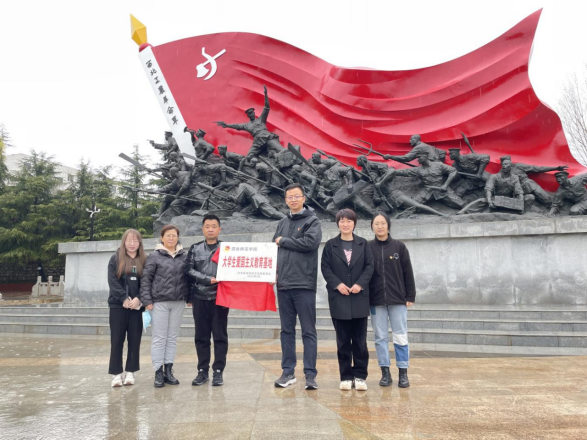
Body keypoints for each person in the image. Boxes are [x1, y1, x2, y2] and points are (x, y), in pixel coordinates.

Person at [273, 183, 323, 390]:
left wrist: (284, 241)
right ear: (285, 200)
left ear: (304, 198)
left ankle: (310, 374)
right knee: (286, 331)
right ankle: (288, 372)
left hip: (304, 284)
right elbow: (273, 248)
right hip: (283, 285)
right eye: (289, 197)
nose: (293, 200)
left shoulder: (312, 221)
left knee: (308, 331)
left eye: (296, 196)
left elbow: (310, 243)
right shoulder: (282, 223)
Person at [321, 209, 374, 391]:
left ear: (354, 223)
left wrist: (360, 284)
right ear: (338, 224)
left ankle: (360, 376)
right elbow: (325, 268)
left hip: (359, 298)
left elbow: (369, 266)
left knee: (360, 341)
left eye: (349, 221)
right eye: (342, 221)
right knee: (343, 341)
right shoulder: (331, 245)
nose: (345, 224)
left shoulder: (363, 244)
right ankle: (345, 376)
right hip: (339, 299)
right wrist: (337, 284)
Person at [369, 212, 416, 388]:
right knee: (380, 337)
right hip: (376, 300)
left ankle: (403, 372)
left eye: (383, 223)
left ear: (388, 225)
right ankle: (385, 372)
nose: (380, 226)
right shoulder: (368, 248)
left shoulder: (399, 247)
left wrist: (410, 295)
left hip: (398, 300)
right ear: (372, 227)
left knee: (400, 335)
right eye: (376, 224)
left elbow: (407, 272)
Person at [140, 225, 189, 388]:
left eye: (174, 235)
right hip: (159, 302)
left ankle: (168, 370)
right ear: (162, 238)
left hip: (178, 301)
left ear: (178, 237)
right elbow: (146, 279)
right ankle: (158, 372)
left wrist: (189, 297)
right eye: (168, 235)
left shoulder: (184, 256)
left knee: (172, 337)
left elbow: (188, 278)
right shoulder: (154, 256)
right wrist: (147, 300)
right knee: (159, 338)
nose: (171, 238)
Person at [185, 215, 228, 387]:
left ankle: (218, 371)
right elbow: (188, 270)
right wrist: (206, 279)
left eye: (214, 226)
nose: (210, 229)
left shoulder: (227, 248)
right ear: (203, 229)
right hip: (200, 297)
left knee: (220, 336)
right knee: (201, 336)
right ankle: (202, 371)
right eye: (207, 226)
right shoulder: (195, 248)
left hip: (220, 297)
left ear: (219, 229)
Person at [107, 229, 147, 388]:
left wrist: (139, 298)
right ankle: (116, 373)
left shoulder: (144, 259)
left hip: (137, 307)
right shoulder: (115, 258)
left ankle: (131, 371)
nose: (132, 244)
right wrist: (123, 297)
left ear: (139, 243)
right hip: (118, 306)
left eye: (135, 241)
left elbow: (147, 282)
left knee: (135, 340)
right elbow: (112, 281)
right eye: (129, 240)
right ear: (124, 242)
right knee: (116, 340)